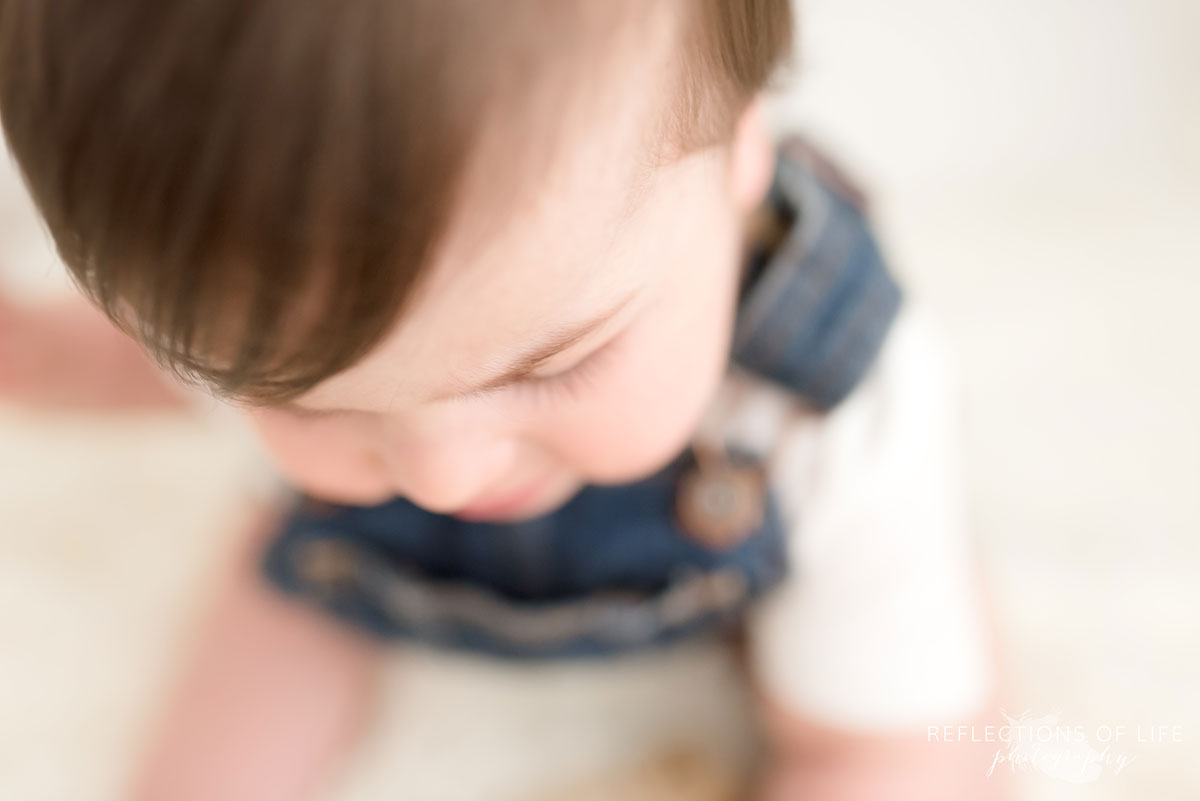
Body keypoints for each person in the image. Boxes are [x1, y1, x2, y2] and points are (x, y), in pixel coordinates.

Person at [0, 1, 1012, 799]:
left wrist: (875, 756)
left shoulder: (834, 412)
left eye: (551, 363)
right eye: (302, 396)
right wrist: (48, 360)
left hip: (718, 560)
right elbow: (148, 367)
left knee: (911, 688)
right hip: (360, 562)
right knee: (274, 624)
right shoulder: (241, 318)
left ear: (743, 148)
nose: (442, 474)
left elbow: (889, 755)